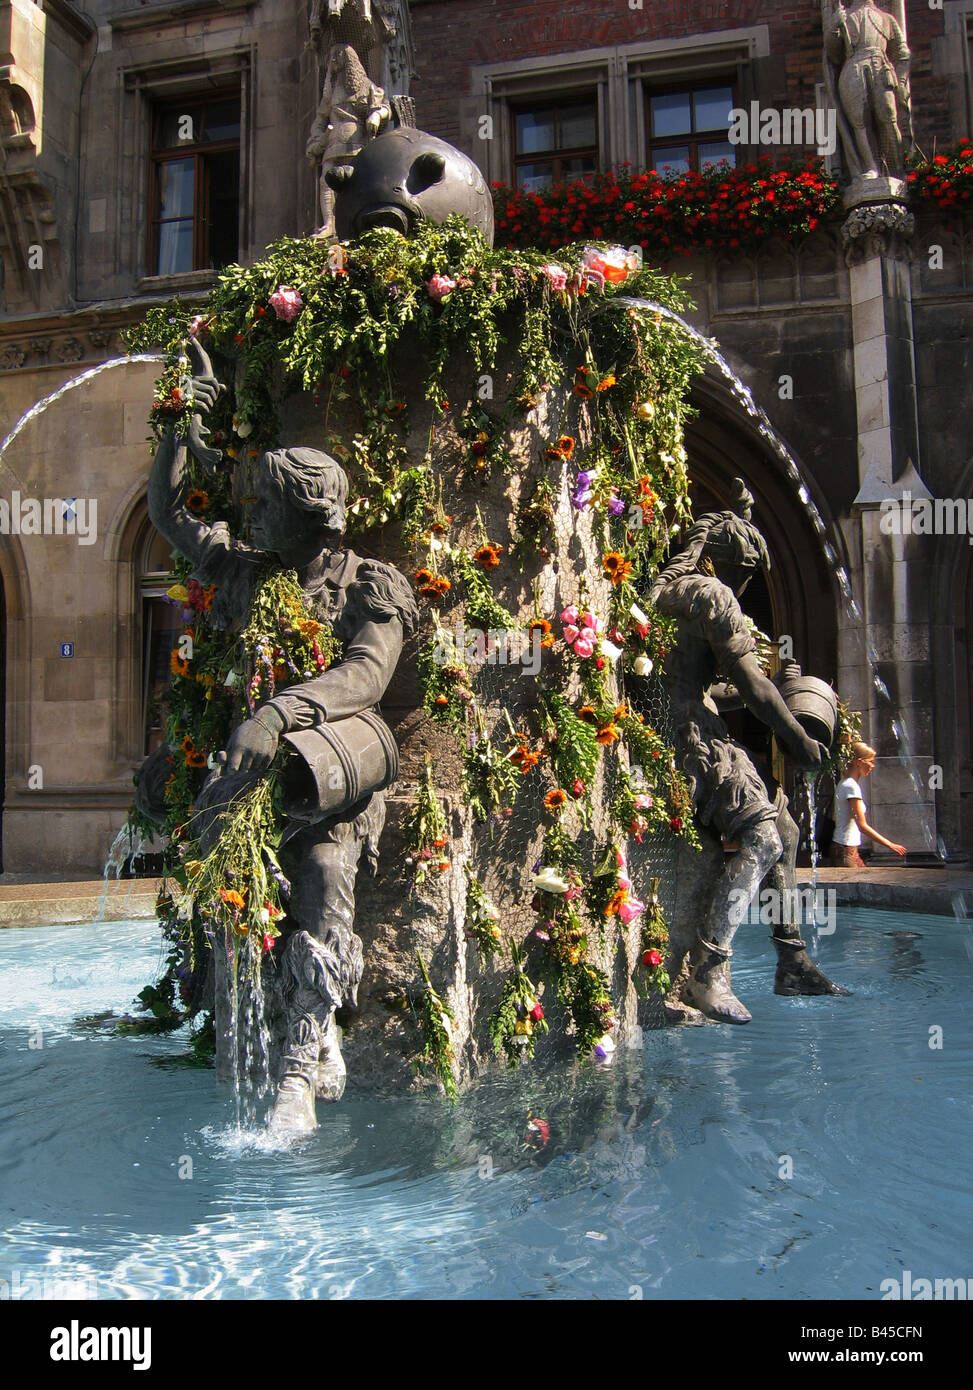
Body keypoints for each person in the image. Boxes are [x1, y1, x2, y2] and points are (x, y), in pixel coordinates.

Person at [143, 339, 418, 1134]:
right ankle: (235, 1026)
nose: (251, 516)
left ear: (311, 516)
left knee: (327, 870)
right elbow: (168, 514)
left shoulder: (369, 585)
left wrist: (274, 714)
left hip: (326, 777)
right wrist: (180, 417)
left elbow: (366, 678)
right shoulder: (241, 567)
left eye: (266, 506)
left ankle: (304, 1049)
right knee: (227, 875)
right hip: (241, 774)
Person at [647, 479, 846, 1023]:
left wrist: (770, 691)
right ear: (723, 563)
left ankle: (792, 958)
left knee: (785, 830)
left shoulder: (675, 590)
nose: (746, 583)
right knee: (761, 835)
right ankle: (708, 972)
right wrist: (798, 738)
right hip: (684, 734)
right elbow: (750, 686)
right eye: (745, 570)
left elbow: (712, 683)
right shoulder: (712, 596)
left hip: (690, 712)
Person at [830, 741, 906, 866]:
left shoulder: (843, 783)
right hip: (846, 848)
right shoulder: (851, 787)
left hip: (845, 847)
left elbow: (835, 816)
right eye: (870, 761)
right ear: (859, 762)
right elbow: (862, 825)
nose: (873, 766)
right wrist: (889, 844)